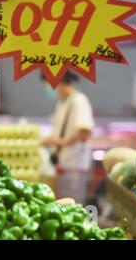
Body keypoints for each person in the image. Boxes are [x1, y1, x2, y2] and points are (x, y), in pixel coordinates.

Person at [41, 71, 95, 204]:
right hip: (64, 164)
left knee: (73, 204)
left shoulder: (79, 101)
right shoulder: (63, 102)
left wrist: (61, 142)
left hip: (74, 165)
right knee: (65, 202)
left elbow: (84, 130)